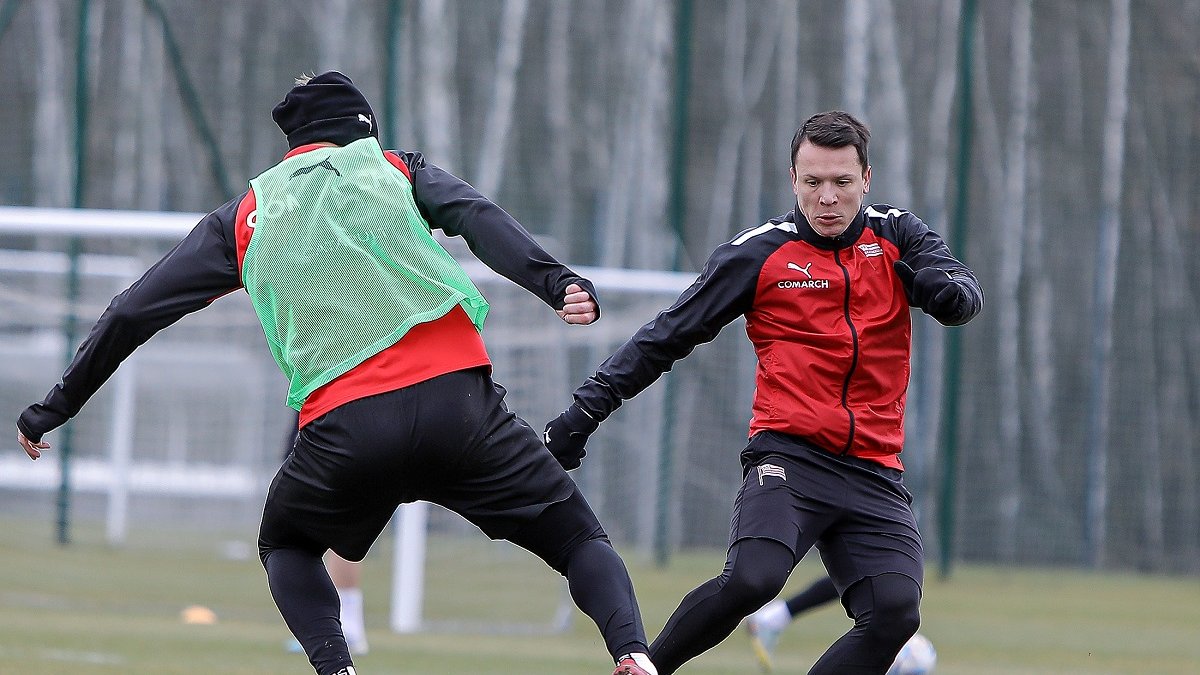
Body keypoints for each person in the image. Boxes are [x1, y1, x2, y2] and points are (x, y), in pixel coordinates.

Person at [16, 71, 658, 675]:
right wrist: (556, 282)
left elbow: (131, 311)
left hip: (346, 427)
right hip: (460, 409)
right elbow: (476, 216)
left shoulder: (247, 214)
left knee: (287, 546)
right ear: (362, 129)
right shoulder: (392, 168)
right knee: (579, 540)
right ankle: (632, 652)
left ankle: (337, 665)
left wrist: (54, 407)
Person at [543, 110, 983, 674]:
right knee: (754, 577)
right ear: (793, 179)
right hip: (791, 456)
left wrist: (949, 296)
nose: (827, 197)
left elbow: (963, 290)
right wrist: (583, 412)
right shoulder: (760, 253)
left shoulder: (898, 235)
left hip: (874, 468)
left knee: (896, 612)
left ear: (866, 180)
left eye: (842, 182)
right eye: (813, 181)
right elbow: (664, 337)